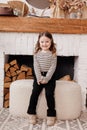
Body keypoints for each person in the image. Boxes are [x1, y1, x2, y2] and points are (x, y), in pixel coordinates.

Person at [27, 31, 57, 126]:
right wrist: (39, 78)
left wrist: (47, 78)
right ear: (39, 42)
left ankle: (51, 115)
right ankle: (31, 113)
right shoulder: (36, 53)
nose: (44, 44)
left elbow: (53, 67)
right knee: (35, 92)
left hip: (50, 77)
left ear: (51, 42)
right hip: (38, 76)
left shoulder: (53, 53)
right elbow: (36, 66)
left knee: (49, 94)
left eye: (47, 41)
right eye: (42, 42)